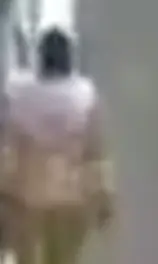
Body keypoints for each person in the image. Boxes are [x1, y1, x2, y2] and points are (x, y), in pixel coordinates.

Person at [0, 27, 113, 264]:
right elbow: (95, 154)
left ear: (39, 57)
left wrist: (4, 195)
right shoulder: (85, 96)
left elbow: (6, 150)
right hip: (71, 202)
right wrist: (103, 198)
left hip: (25, 201)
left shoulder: (17, 94)